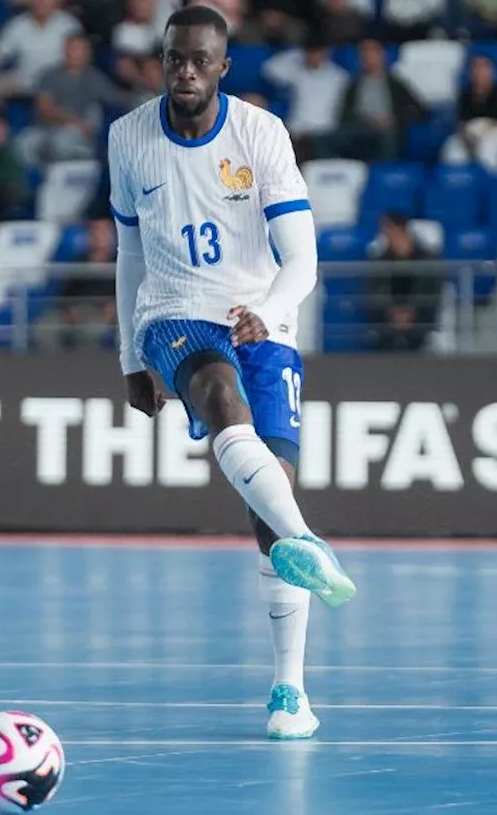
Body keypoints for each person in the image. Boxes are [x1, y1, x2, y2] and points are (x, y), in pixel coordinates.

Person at [107, 4, 357, 741]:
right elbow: (129, 256)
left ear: (223, 67)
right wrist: (129, 355)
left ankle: (290, 690)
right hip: (175, 313)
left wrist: (268, 308)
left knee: (265, 505)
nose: (184, 70)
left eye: (199, 60)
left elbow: (304, 259)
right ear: (161, 60)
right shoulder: (129, 138)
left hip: (263, 316)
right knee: (218, 396)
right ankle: (309, 539)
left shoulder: (261, 134)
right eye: (173, 57)